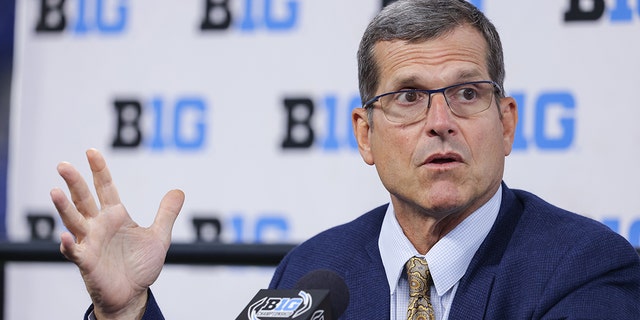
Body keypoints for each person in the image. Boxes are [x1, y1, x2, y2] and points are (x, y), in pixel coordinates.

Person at [51, 0, 640, 319]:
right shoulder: (312, 270)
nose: (441, 121)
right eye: (408, 97)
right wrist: (125, 313)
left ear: (506, 123)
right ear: (365, 134)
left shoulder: (584, 268)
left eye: (467, 94)